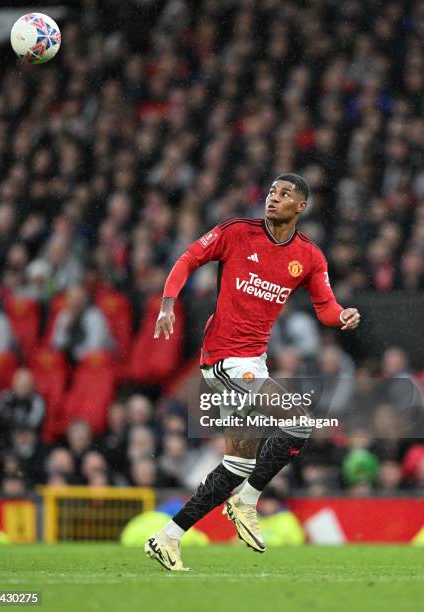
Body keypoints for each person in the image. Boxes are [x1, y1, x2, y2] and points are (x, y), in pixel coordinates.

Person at [145, 174, 361, 570]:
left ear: (301, 207)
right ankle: (247, 502)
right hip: (225, 359)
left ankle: (167, 537)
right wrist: (167, 303)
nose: (274, 198)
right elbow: (188, 257)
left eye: (285, 194)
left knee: (236, 466)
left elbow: (326, 308)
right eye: (272, 192)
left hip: (253, 360)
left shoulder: (309, 256)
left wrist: (342, 315)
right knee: (298, 420)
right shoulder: (237, 232)